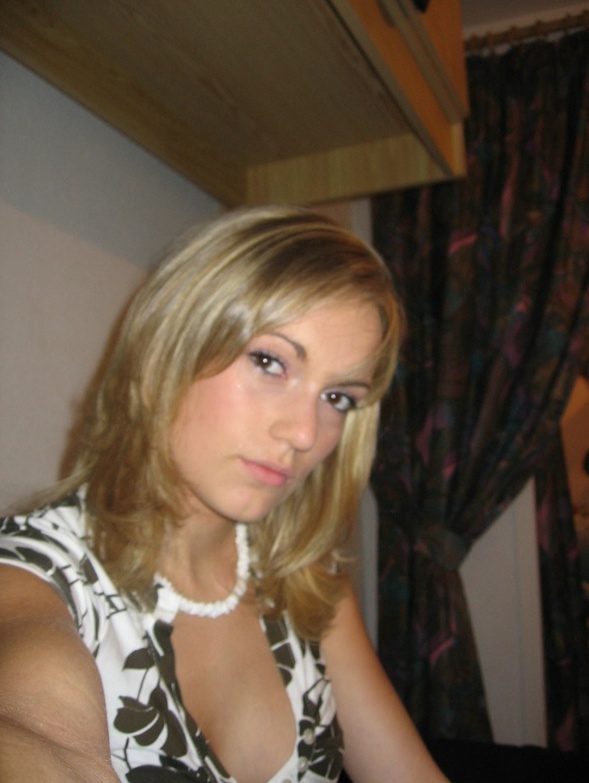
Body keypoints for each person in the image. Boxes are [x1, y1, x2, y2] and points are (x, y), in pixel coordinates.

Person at [0, 206, 449, 783]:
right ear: (169, 348)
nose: (305, 433)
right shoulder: (32, 580)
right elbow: (33, 729)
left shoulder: (305, 582)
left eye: (337, 397)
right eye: (269, 362)